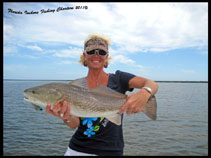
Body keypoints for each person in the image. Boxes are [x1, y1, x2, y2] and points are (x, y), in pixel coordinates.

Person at [46, 34, 159, 156]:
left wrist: (144, 93)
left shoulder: (119, 79)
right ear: (85, 55)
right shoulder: (76, 87)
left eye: (101, 52)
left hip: (111, 151)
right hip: (77, 150)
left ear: (106, 56)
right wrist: (66, 116)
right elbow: (74, 124)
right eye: (91, 51)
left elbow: (152, 84)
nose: (96, 55)